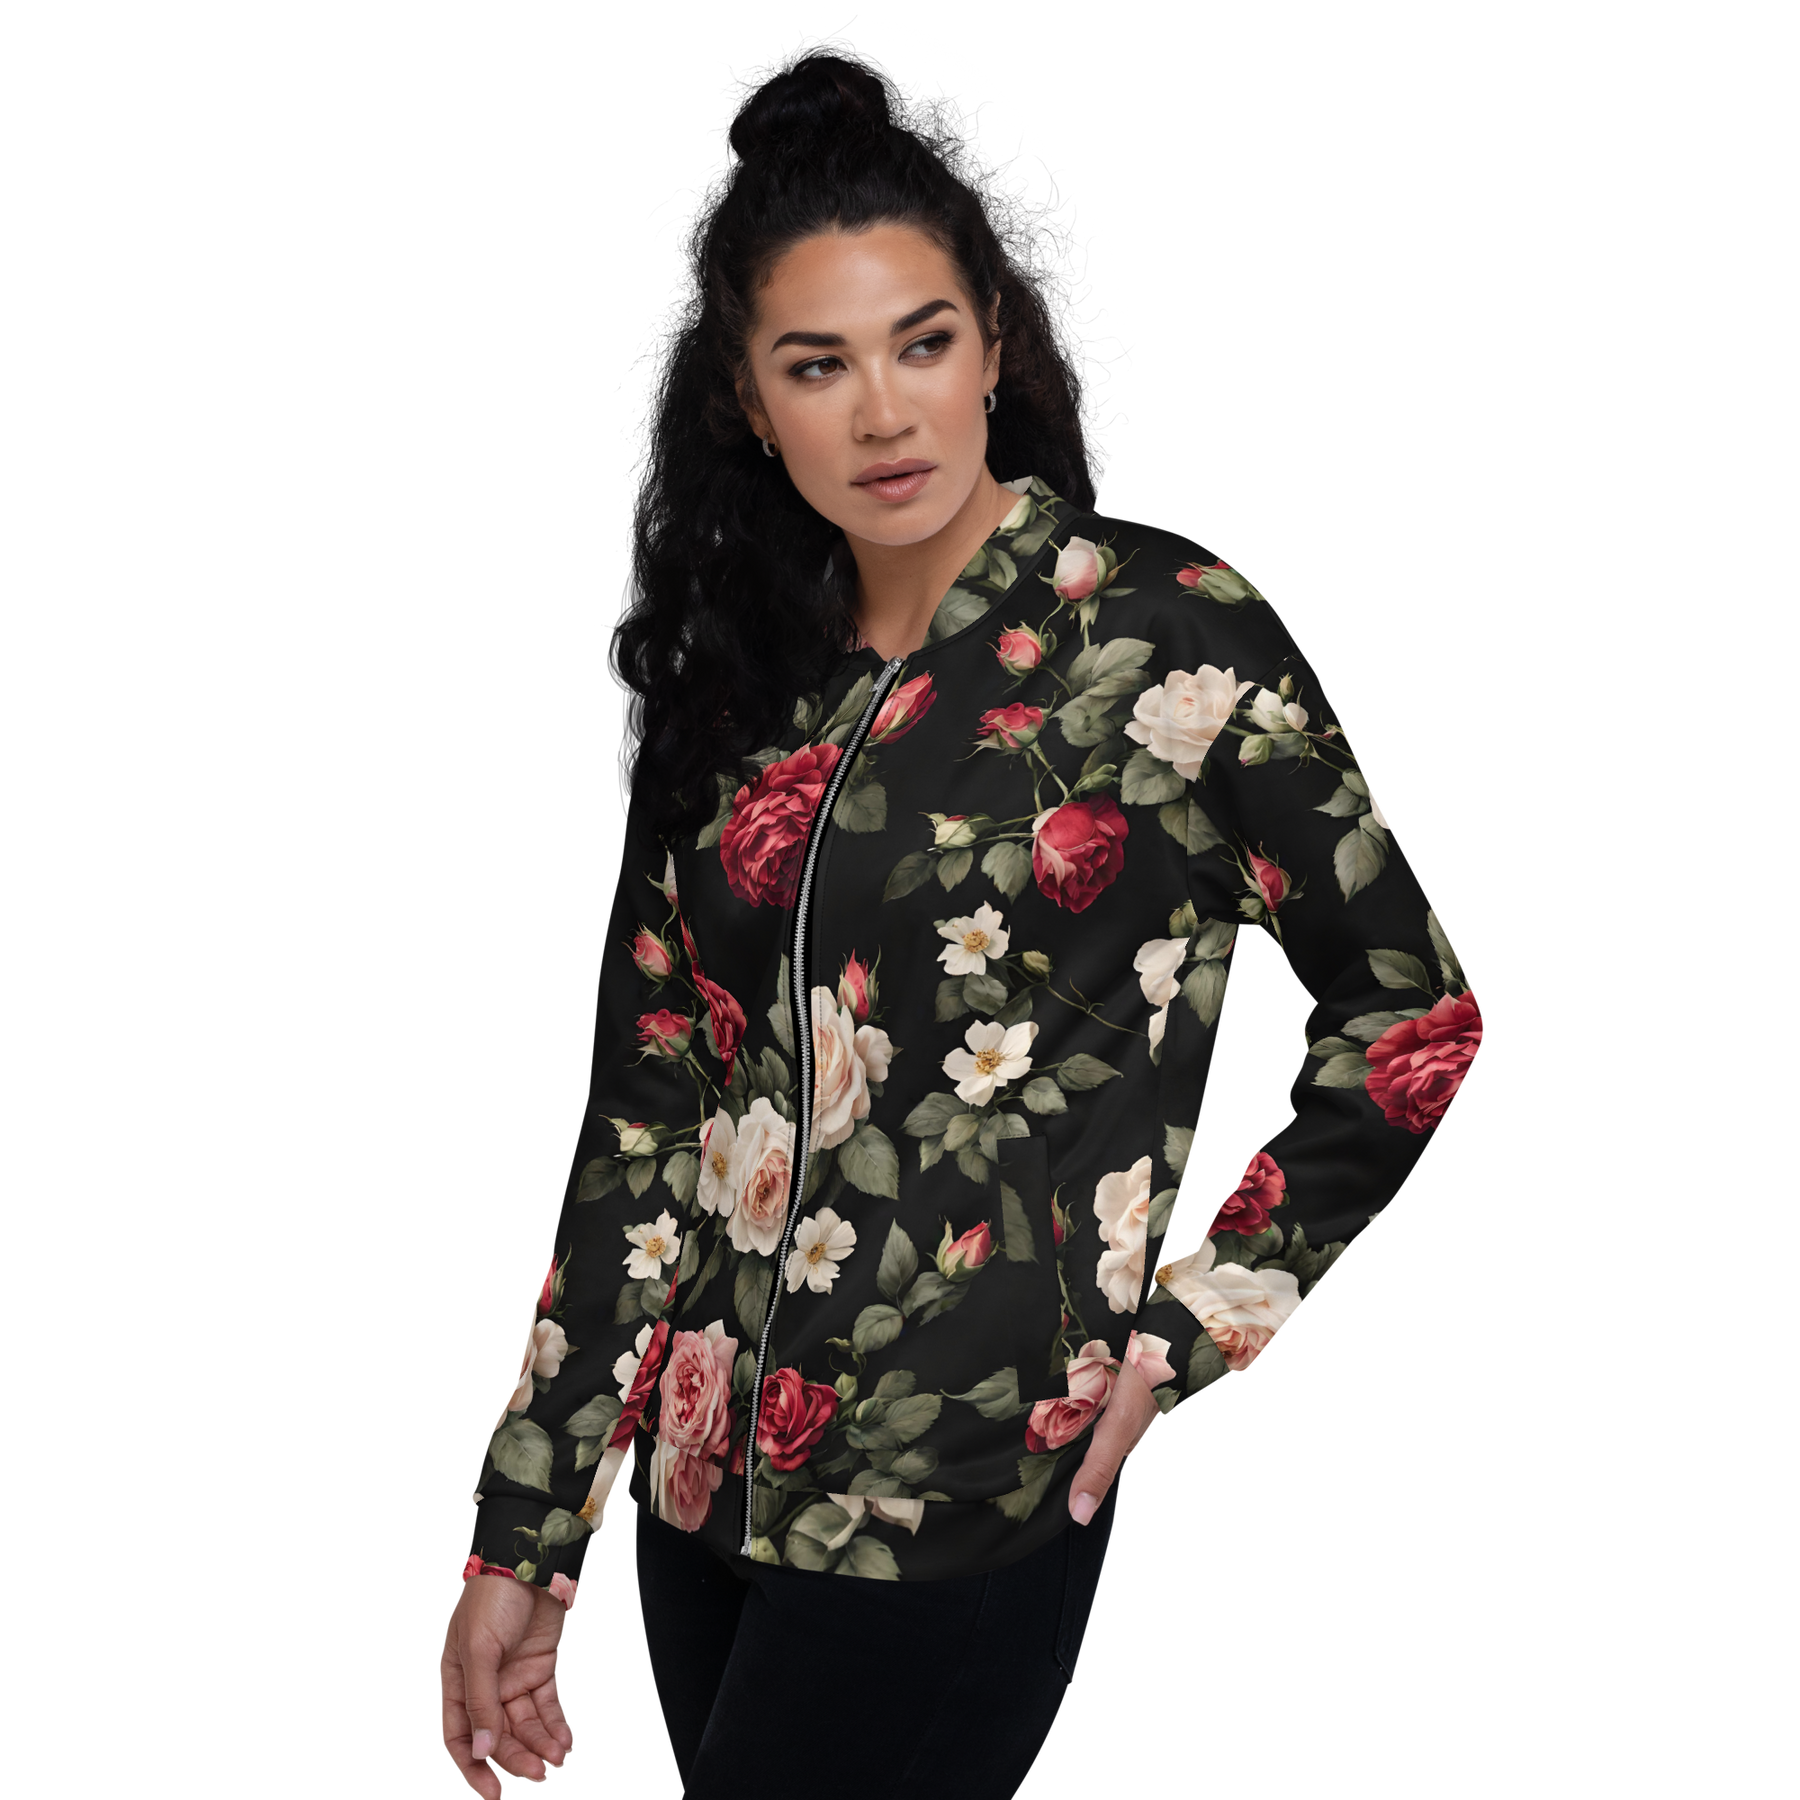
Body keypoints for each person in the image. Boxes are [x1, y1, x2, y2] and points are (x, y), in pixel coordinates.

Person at [437, 18, 1487, 1799]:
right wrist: (526, 1532)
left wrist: (1191, 1328)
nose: (881, 411)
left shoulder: (1161, 632)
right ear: (748, 401)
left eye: (921, 341)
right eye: (817, 363)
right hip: (697, 1503)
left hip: (968, 1505)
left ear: (996, 338)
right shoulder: (731, 678)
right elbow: (645, 1118)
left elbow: (1413, 1013)